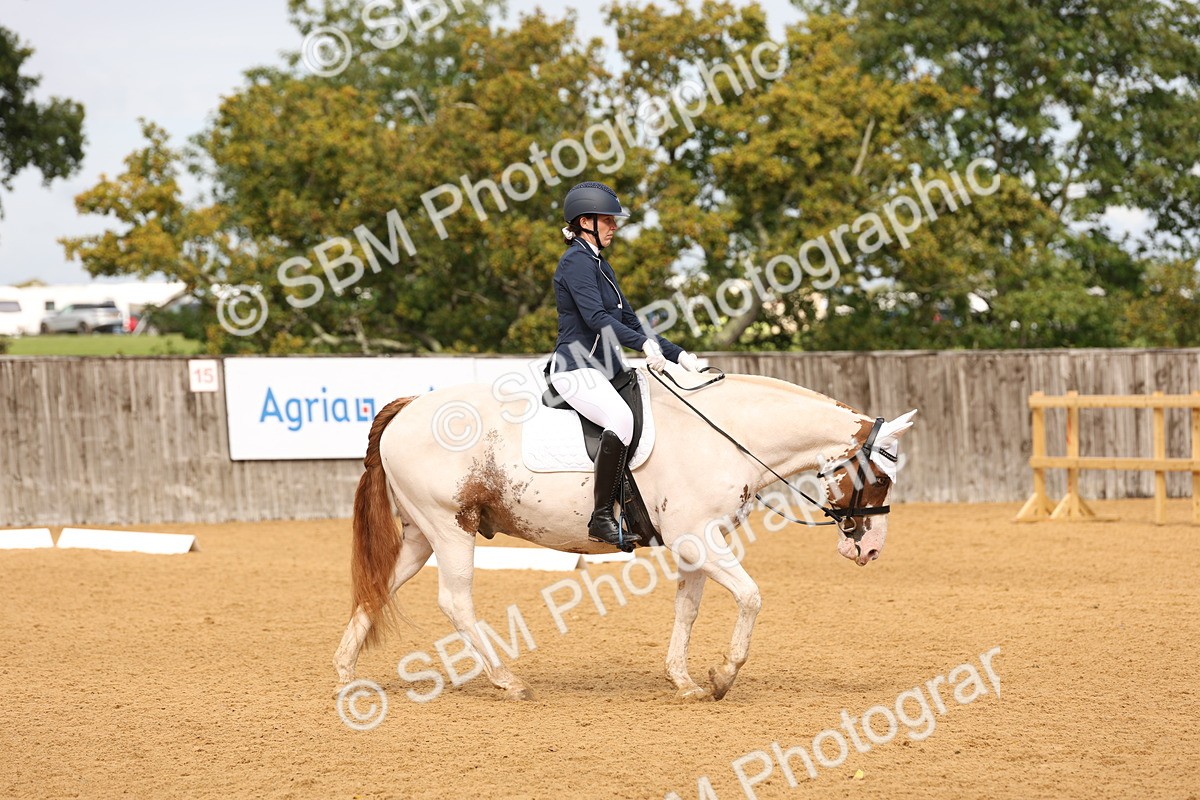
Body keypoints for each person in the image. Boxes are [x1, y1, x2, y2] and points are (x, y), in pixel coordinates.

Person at [549, 181, 702, 549]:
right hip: (576, 367)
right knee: (620, 420)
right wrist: (642, 345)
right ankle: (601, 517)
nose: (614, 226)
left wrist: (676, 353)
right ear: (585, 221)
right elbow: (596, 318)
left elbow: (631, 322)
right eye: (607, 220)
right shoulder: (575, 263)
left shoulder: (601, 265)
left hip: (605, 367)